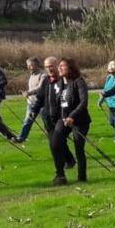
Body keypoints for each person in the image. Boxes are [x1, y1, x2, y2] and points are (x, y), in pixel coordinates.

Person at [41, 57, 91, 185]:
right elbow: (61, 104)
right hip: (64, 119)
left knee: (79, 148)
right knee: (55, 143)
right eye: (59, 66)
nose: (59, 68)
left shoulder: (78, 81)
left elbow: (83, 102)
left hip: (80, 120)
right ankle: (60, 176)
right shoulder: (60, 83)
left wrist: (72, 116)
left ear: (70, 68)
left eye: (62, 66)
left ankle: (82, 177)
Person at [28, 56, 74, 169]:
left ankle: (60, 170)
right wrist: (34, 110)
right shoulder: (46, 81)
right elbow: (40, 98)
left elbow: (67, 100)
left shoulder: (63, 81)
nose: (49, 69)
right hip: (48, 118)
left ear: (57, 66)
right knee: (54, 143)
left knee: (57, 142)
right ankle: (70, 160)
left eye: (51, 66)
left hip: (61, 118)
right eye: (47, 67)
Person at [17, 57, 46, 142]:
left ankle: (55, 136)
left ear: (37, 65)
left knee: (47, 122)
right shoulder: (32, 75)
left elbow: (40, 88)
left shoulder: (43, 75)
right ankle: (21, 138)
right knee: (27, 121)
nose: (28, 67)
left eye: (31, 65)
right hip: (31, 103)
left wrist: (29, 93)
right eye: (28, 65)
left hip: (42, 104)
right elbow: (32, 88)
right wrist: (26, 93)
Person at [98, 60, 115, 142]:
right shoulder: (109, 78)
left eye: (113, 71)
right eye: (110, 71)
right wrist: (101, 100)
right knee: (111, 122)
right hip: (110, 103)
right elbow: (105, 90)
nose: (111, 73)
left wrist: (105, 94)